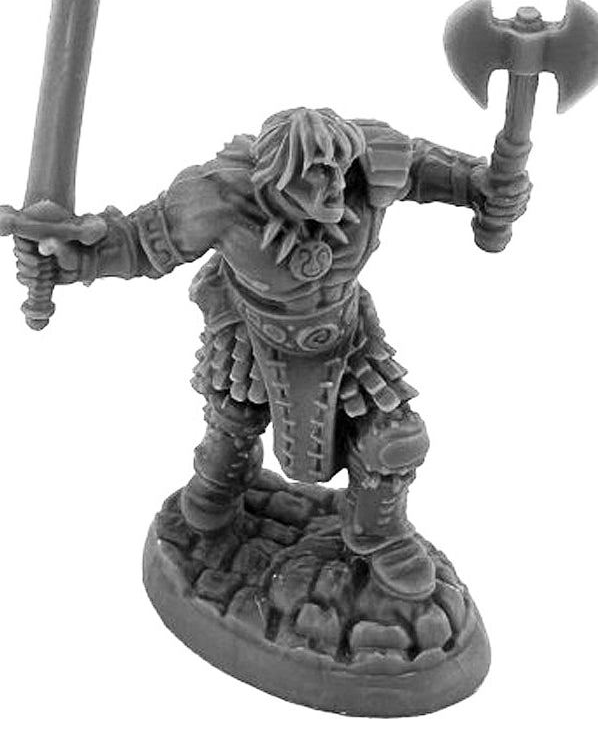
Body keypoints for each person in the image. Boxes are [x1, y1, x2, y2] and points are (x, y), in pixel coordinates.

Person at [14, 106, 530, 600]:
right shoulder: (218, 199)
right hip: (251, 331)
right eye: (316, 174)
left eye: (338, 169)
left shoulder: (369, 166)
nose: (335, 186)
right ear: (276, 179)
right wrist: (73, 257)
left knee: (395, 438)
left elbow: (425, 166)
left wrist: (483, 185)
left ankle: (379, 534)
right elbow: (141, 242)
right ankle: (217, 489)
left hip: (344, 334)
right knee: (233, 421)